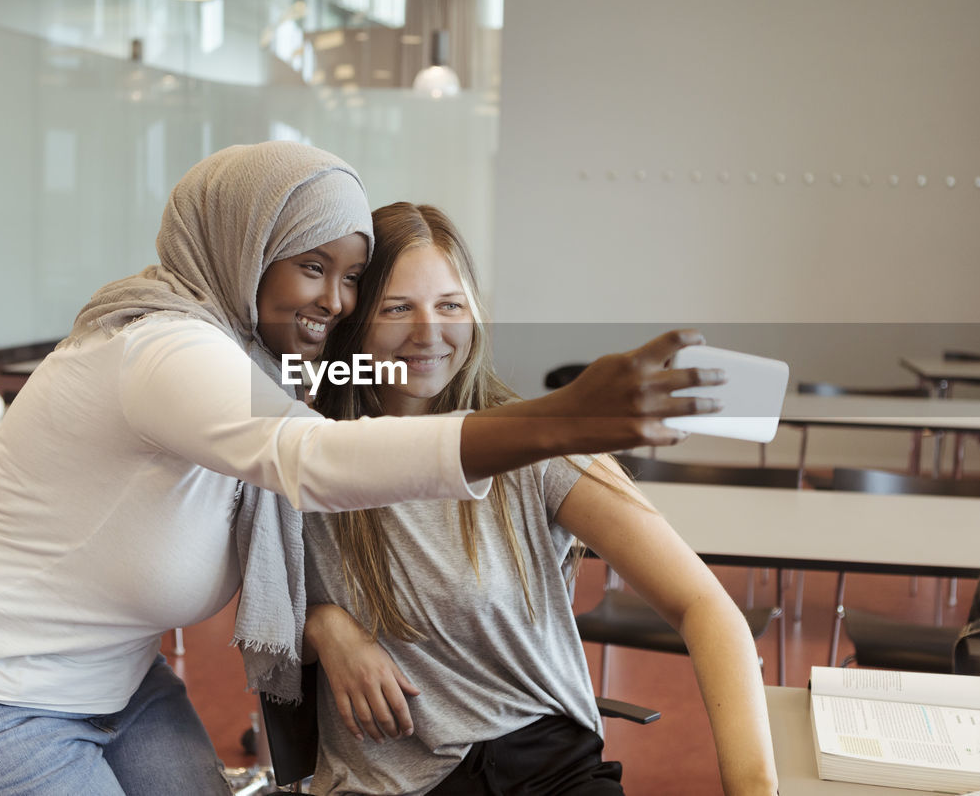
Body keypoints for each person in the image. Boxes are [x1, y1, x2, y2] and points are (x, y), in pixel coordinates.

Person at [0, 142, 723, 795]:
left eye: (349, 278)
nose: (334, 301)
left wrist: (325, 613)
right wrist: (556, 419)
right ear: (244, 245)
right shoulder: (167, 350)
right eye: (315, 268)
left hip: (107, 676)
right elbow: (314, 460)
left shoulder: (256, 367)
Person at [301, 202, 779, 796]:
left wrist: (754, 787)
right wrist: (323, 625)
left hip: (546, 769)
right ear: (353, 323)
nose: (429, 332)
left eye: (450, 305)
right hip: (392, 784)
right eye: (397, 308)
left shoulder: (536, 442)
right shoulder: (301, 447)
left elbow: (705, 607)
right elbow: (252, 595)